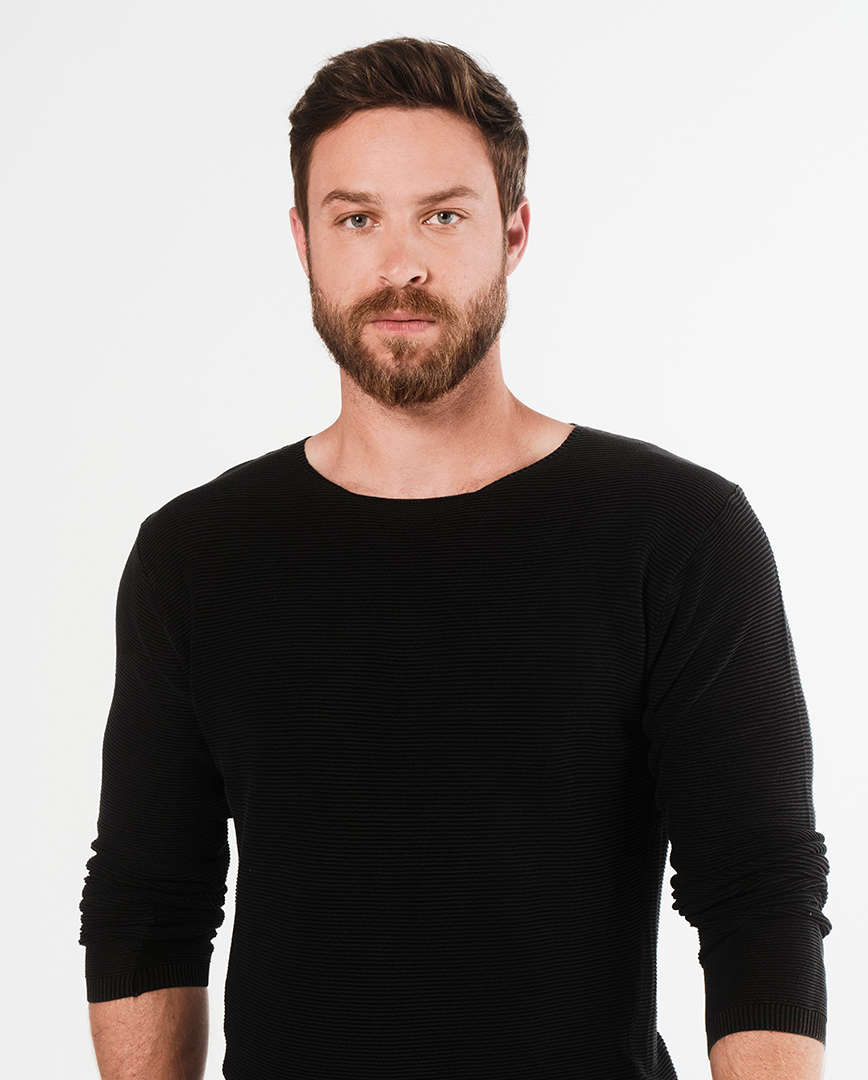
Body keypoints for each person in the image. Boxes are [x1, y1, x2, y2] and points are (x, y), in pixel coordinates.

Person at [79, 36, 831, 1080]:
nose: (400, 265)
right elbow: (149, 903)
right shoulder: (196, 557)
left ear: (513, 232)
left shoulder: (676, 533)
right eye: (356, 219)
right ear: (302, 240)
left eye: (443, 215)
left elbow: (757, 892)